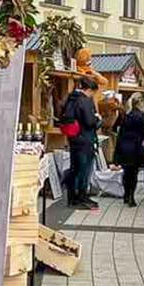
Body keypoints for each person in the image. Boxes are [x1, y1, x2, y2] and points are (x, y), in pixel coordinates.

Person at [59, 76, 102, 210]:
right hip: (85, 139)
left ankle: (72, 197)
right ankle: (81, 196)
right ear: (88, 89)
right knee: (84, 169)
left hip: (74, 138)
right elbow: (90, 122)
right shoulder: (85, 101)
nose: (92, 95)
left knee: (75, 168)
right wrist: (98, 120)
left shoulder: (71, 98)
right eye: (92, 92)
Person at [113, 92, 144, 207]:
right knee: (133, 174)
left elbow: (118, 131)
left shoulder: (126, 116)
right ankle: (131, 197)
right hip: (136, 147)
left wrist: (117, 149)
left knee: (126, 173)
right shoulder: (142, 117)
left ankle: (126, 194)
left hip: (124, 146)